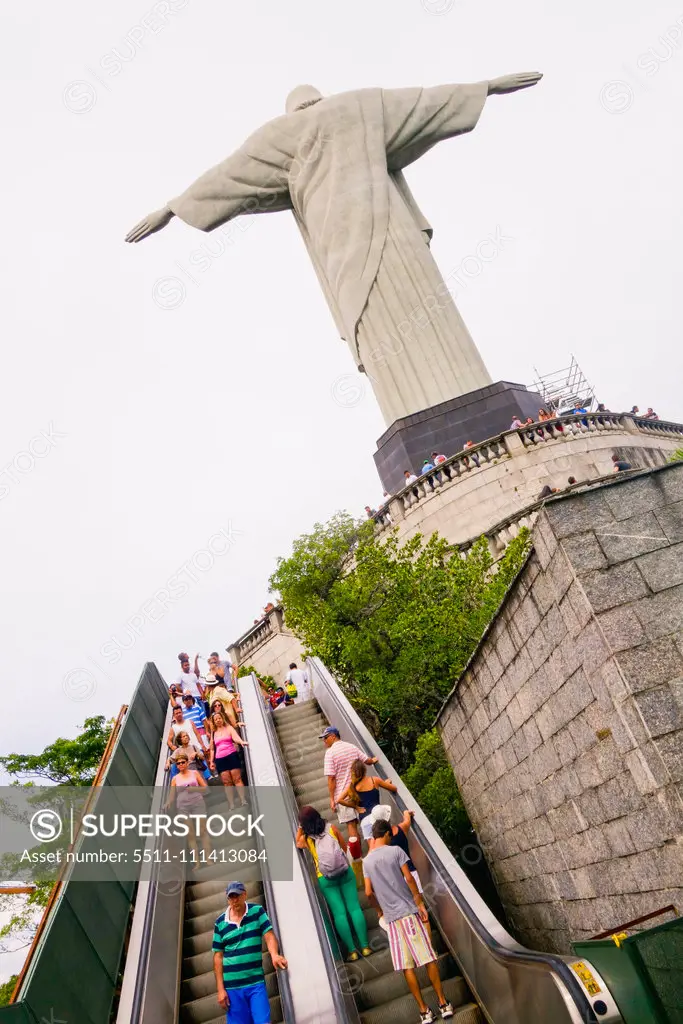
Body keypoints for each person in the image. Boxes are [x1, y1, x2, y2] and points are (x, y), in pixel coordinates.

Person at [364, 820, 454, 1021]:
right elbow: (409, 878)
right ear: (386, 834)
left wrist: (380, 912)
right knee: (428, 958)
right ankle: (442, 1003)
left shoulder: (367, 862)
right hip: (408, 912)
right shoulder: (395, 851)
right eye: (389, 835)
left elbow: (368, 893)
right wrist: (419, 902)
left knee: (407, 966)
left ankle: (424, 1011)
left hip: (392, 920)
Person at [295, 805, 372, 963]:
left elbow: (297, 843)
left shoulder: (307, 839)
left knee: (339, 914)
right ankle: (365, 946)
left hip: (325, 878)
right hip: (345, 872)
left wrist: (301, 828)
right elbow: (344, 848)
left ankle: (352, 951)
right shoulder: (332, 828)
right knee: (354, 907)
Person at [213, 881, 287, 1023]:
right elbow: (218, 956)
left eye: (237, 896)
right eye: (231, 897)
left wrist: (274, 954)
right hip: (232, 988)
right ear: (227, 899)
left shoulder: (257, 911)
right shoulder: (220, 923)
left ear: (245, 894)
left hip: (255, 983)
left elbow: (269, 935)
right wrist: (220, 989)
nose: (234, 900)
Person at [320, 726, 378, 841]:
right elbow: (366, 760)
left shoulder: (330, 753)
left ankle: (358, 857)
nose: (324, 741)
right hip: (360, 792)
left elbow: (331, 778)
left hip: (344, 797)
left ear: (333, 736)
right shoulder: (351, 746)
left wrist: (332, 799)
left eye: (326, 737)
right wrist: (373, 760)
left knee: (352, 827)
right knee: (369, 823)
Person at [167, 751, 211, 862]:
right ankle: (196, 862)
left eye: (182, 762)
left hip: (197, 802)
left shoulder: (194, 773)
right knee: (190, 834)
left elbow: (205, 788)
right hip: (183, 806)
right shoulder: (175, 778)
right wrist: (168, 803)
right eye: (178, 763)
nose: (180, 765)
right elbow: (172, 795)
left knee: (202, 831)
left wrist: (193, 789)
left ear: (187, 763)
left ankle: (208, 858)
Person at [338, 759, 398, 827]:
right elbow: (394, 788)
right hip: (377, 816)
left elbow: (339, 800)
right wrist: (386, 783)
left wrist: (356, 807)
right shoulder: (374, 780)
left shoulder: (352, 786)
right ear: (365, 770)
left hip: (365, 819)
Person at [209, 710, 248, 805]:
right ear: (213, 722)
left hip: (231, 755)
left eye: (219, 718)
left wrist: (241, 742)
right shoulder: (213, 733)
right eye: (216, 719)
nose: (218, 720)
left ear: (222, 719)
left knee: (237, 779)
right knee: (227, 783)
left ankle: (243, 800)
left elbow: (235, 737)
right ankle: (231, 803)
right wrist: (211, 761)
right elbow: (212, 749)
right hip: (220, 759)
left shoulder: (228, 728)